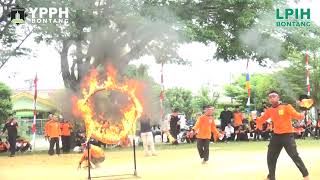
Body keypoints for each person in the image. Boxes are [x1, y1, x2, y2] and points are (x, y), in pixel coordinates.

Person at [256, 90, 309, 180]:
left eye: (274, 96)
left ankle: (306, 176)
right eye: (270, 97)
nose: (272, 98)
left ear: (278, 97)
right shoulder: (269, 110)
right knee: (270, 157)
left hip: (287, 136)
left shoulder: (286, 106)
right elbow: (261, 120)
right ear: (269, 100)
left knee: (294, 156)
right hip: (276, 136)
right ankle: (271, 177)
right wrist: (255, 119)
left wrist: (303, 112)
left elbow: (298, 116)